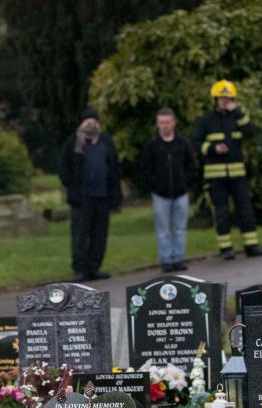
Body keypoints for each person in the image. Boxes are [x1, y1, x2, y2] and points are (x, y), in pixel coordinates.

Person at [192, 79, 262, 259]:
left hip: (237, 174)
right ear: (215, 99)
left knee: (245, 210)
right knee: (222, 212)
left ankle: (251, 246)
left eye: (229, 99)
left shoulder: (238, 117)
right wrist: (213, 148)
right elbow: (196, 143)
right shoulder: (205, 121)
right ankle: (226, 249)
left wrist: (237, 112)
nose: (225, 102)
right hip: (216, 176)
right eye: (222, 98)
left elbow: (252, 132)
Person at [58, 106, 123, 282]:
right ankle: (80, 269)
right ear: (81, 123)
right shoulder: (73, 143)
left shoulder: (106, 142)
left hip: (102, 196)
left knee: (99, 235)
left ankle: (94, 267)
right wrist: (71, 187)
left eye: (94, 121)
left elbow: (114, 168)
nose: (91, 124)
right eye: (87, 121)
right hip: (82, 197)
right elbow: (65, 169)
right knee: (80, 235)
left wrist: (115, 194)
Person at [139, 107, 197, 272]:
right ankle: (166, 260)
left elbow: (191, 166)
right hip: (160, 195)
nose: (164, 126)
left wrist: (185, 183)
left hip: (181, 193)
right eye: (161, 123)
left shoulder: (183, 143)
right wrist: (155, 185)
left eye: (167, 122)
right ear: (157, 124)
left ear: (174, 123)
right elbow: (145, 169)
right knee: (163, 230)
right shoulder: (152, 146)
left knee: (180, 229)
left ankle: (179, 258)